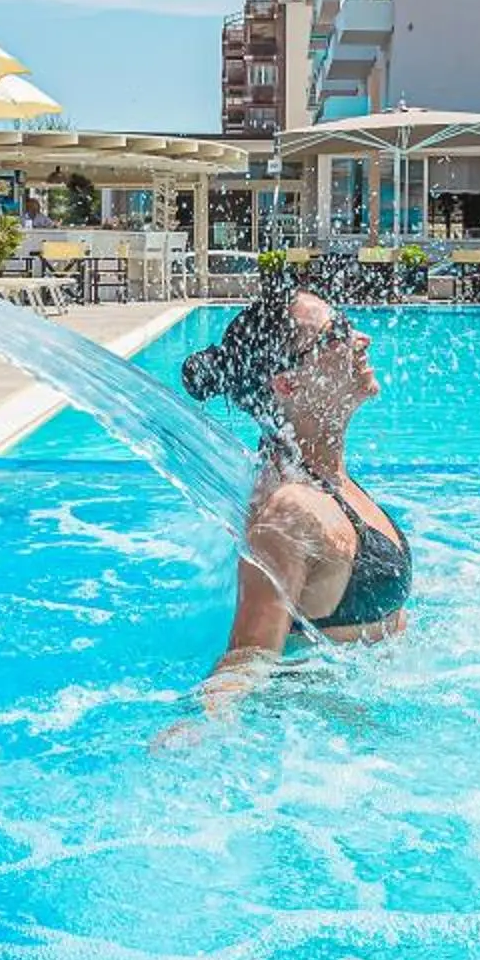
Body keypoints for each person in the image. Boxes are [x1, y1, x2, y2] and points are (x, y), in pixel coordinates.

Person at [172, 284, 410, 727]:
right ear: (287, 382)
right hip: (336, 738)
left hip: (366, 717)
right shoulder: (288, 513)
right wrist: (199, 726)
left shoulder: (321, 474)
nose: (361, 338)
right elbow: (249, 656)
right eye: (335, 332)